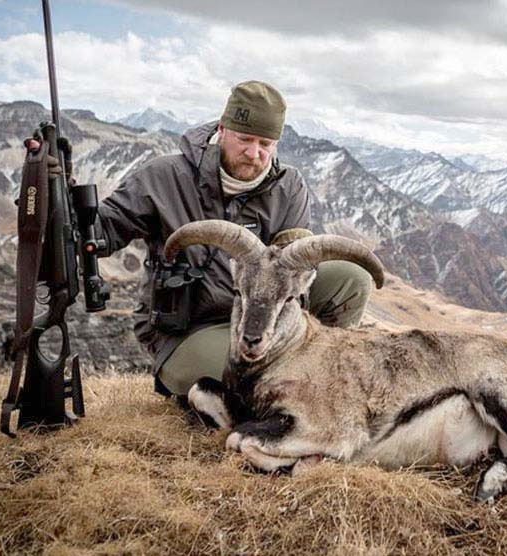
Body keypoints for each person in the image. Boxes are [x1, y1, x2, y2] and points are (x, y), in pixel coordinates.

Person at [93, 81, 374, 397]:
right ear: (222, 129)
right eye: (245, 139)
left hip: (264, 314)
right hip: (194, 326)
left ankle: (321, 375)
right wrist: (54, 202)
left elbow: (291, 272)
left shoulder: (288, 187)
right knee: (249, 389)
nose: (254, 153)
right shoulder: (164, 177)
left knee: (352, 278)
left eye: (266, 143)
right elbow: (103, 230)